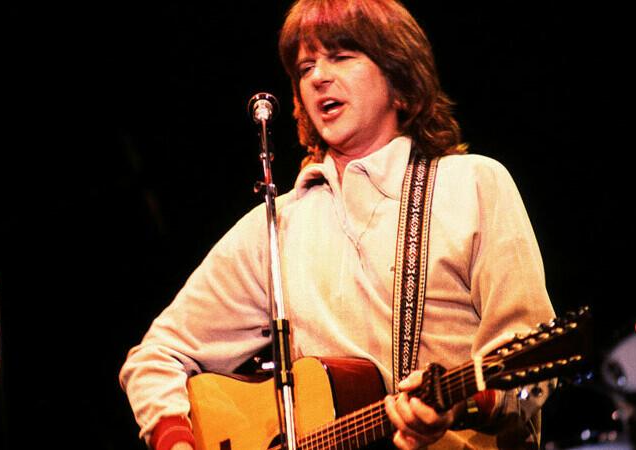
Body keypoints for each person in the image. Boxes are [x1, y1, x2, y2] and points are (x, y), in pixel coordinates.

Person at [120, 0, 556, 449]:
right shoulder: (276, 228)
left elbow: (530, 362)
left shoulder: (472, 186)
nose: (318, 77)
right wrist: (175, 439)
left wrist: (463, 405)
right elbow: (156, 357)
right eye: (305, 67)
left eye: (342, 57)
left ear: (400, 82)